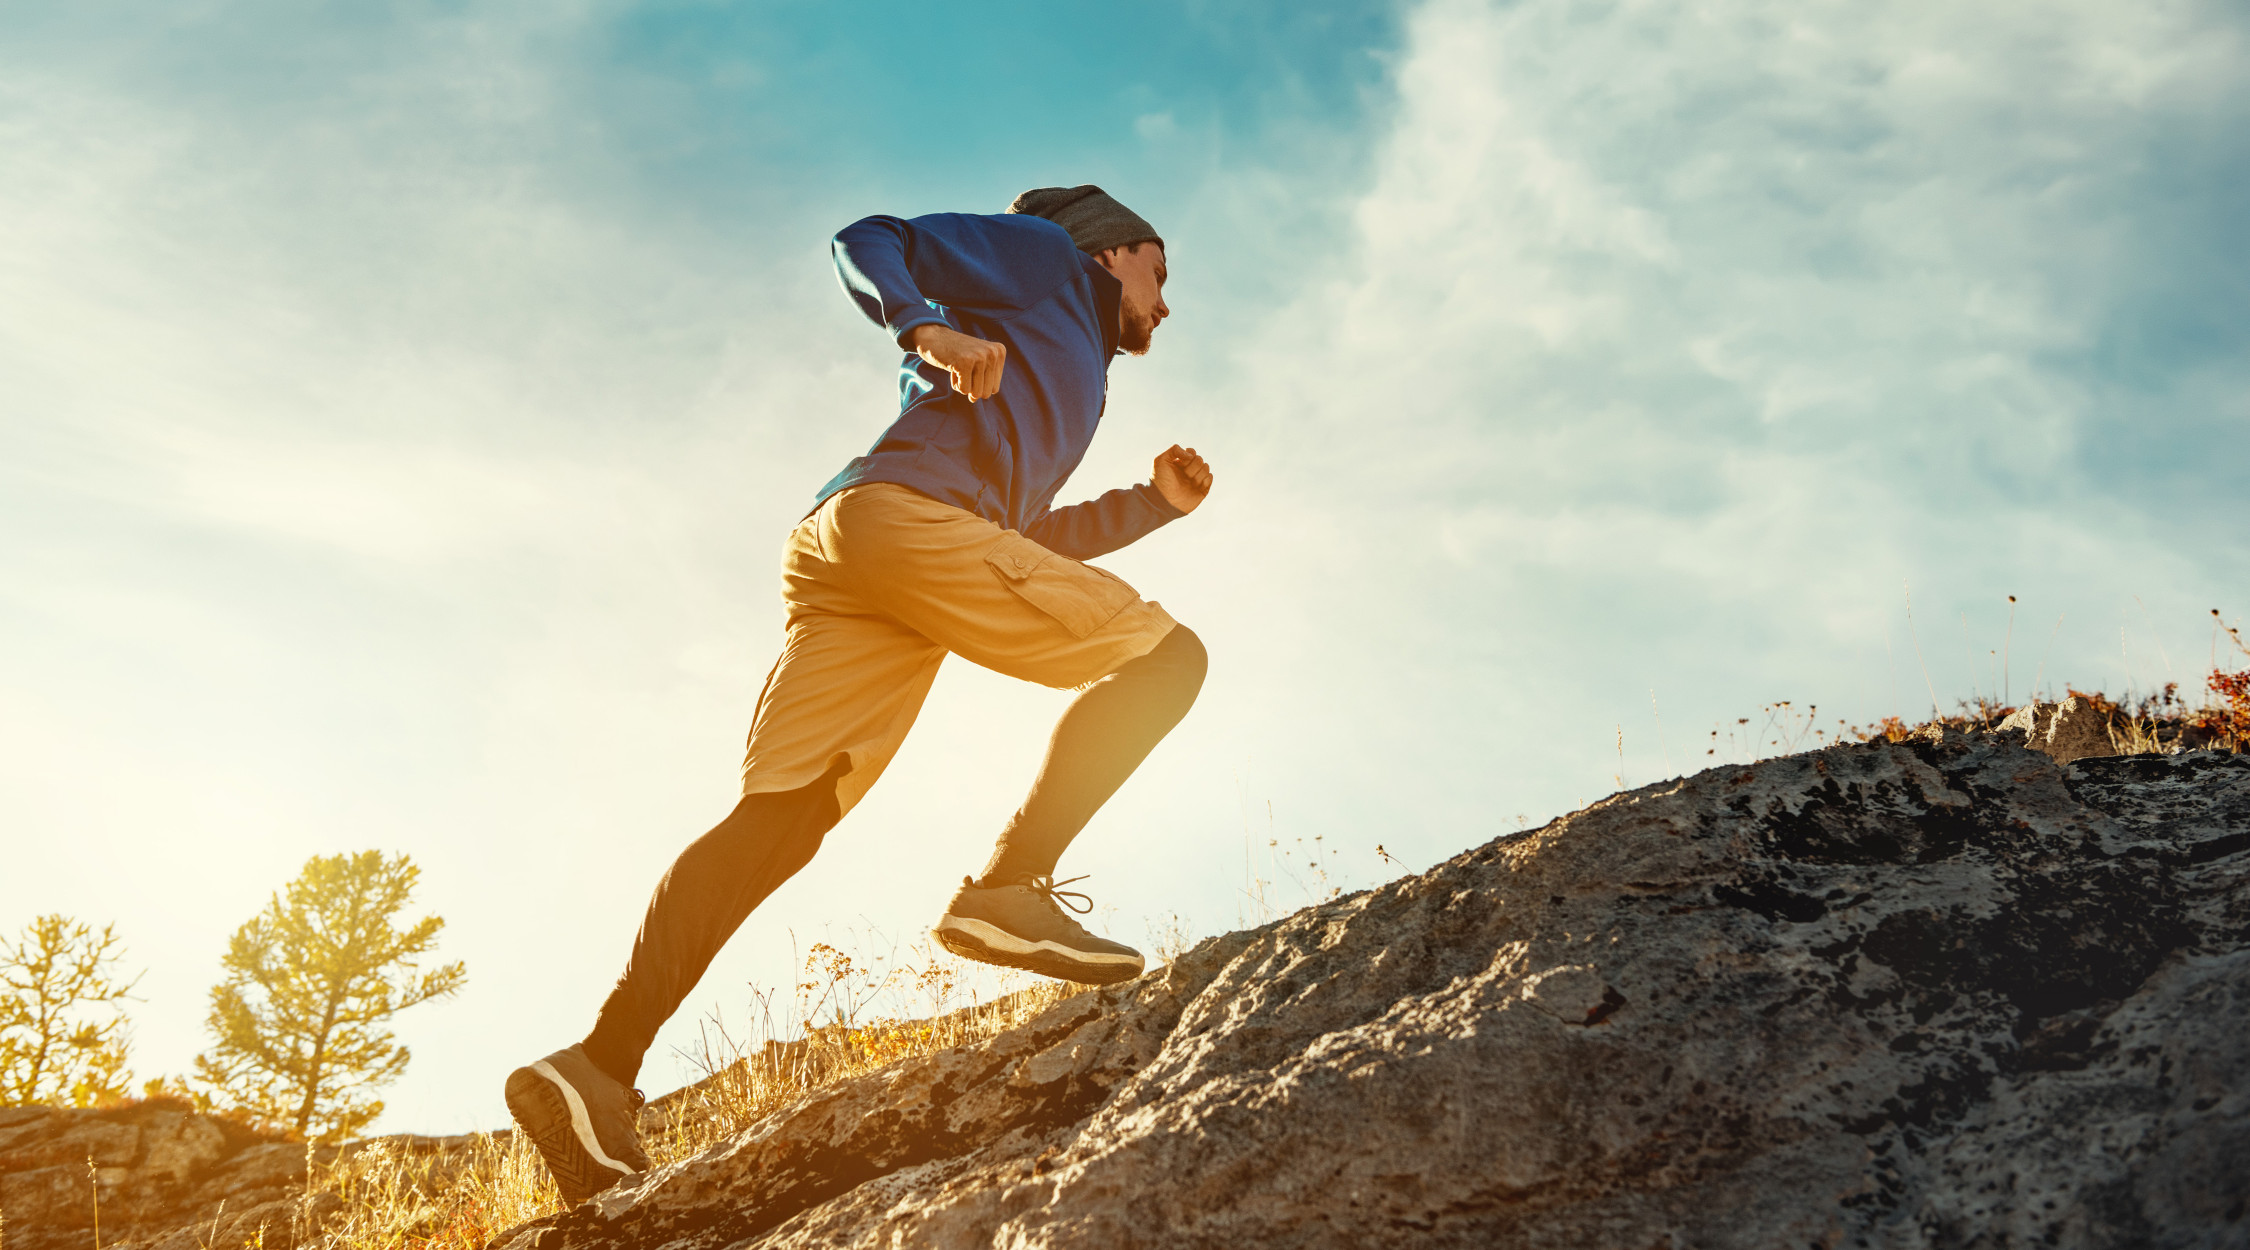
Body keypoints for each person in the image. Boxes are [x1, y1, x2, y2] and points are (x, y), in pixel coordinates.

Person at [503, 185, 1213, 1205]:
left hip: (861, 546)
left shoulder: (1061, 362)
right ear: (1112, 253)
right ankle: (1010, 885)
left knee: (783, 817)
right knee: (1167, 659)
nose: (1167, 303)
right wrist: (920, 323)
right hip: (901, 520)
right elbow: (867, 238)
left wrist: (1152, 505)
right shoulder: (1047, 260)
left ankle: (596, 1067)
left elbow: (1016, 545)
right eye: (1160, 270)